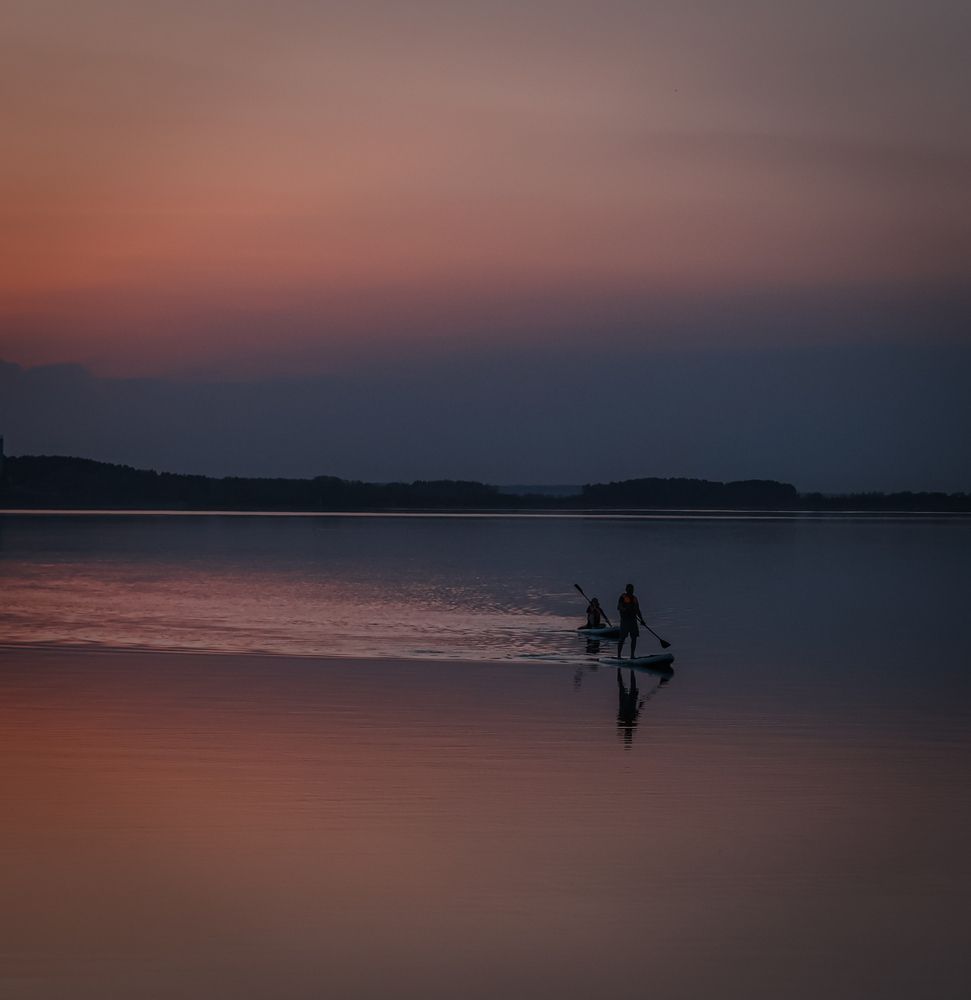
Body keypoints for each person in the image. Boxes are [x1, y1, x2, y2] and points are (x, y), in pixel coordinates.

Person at [616, 583, 646, 658]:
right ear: (626, 590)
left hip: (633, 621)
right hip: (625, 621)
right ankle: (619, 655)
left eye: (632, 589)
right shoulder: (622, 597)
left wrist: (642, 620)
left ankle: (632, 655)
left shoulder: (635, 598)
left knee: (634, 637)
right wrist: (625, 609)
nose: (631, 591)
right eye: (629, 589)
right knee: (622, 638)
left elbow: (638, 610)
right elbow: (619, 607)